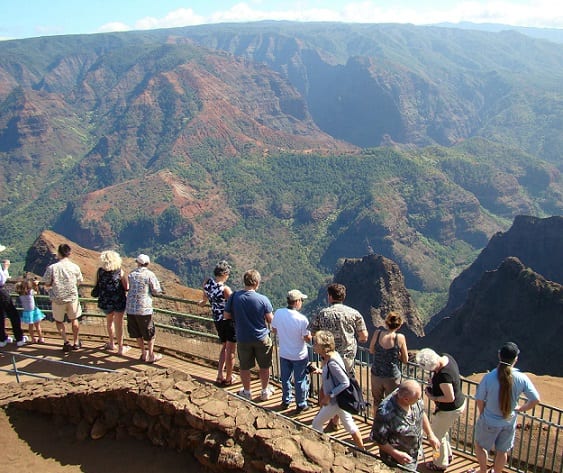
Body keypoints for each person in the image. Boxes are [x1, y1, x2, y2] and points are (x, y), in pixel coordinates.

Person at [471, 342, 540, 473]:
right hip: (509, 421)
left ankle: (483, 471)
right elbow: (535, 399)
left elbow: (479, 398)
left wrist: (482, 413)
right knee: (502, 451)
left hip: (489, 420)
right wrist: (520, 409)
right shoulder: (521, 378)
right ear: (516, 359)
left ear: (499, 356)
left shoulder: (489, 377)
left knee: (480, 446)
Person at [309, 282, 368, 430]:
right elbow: (363, 336)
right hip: (346, 358)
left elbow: (312, 333)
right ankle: (336, 420)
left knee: (328, 383)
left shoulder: (322, 313)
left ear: (329, 297)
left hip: (328, 356)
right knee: (343, 385)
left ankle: (325, 416)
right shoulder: (354, 314)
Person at [223, 269, 274, 402]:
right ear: (256, 283)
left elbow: (226, 315)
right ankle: (264, 391)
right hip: (261, 337)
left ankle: (247, 392)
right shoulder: (263, 299)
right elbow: (271, 320)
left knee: (244, 366)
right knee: (264, 366)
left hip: (243, 337)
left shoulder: (234, 297)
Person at [370, 380, 441, 471]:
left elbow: (421, 413)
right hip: (396, 461)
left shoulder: (414, 397)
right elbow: (378, 440)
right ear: (406, 399)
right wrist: (396, 454)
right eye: (418, 398)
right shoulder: (385, 413)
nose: (420, 400)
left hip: (413, 454)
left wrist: (430, 434)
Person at [311, 330, 365, 449]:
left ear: (323, 346)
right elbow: (334, 376)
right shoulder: (332, 356)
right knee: (350, 426)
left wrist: (329, 396)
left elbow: (344, 382)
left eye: (316, 344)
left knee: (316, 424)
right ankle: (362, 449)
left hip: (334, 402)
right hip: (340, 400)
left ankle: (323, 448)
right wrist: (321, 371)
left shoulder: (332, 362)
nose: (313, 346)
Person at [416, 348, 466, 471]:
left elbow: (449, 398)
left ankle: (439, 464)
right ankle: (447, 456)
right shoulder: (446, 357)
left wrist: (432, 396)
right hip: (457, 405)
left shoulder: (444, 376)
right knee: (442, 433)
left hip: (449, 410)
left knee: (436, 437)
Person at [271, 289, 312, 412]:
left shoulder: (278, 313)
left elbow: (274, 329)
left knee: (285, 378)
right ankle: (301, 404)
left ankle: (286, 400)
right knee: (300, 380)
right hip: (299, 355)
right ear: (297, 301)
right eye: (301, 300)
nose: (302, 302)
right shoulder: (302, 319)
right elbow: (307, 339)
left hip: (284, 352)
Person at [199, 260, 235, 386]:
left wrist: (203, 302)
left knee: (224, 346)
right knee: (230, 349)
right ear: (224, 274)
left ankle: (220, 374)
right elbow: (234, 305)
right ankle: (229, 378)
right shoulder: (225, 289)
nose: (228, 276)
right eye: (228, 274)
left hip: (217, 319)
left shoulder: (208, 282)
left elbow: (205, 295)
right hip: (228, 321)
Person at [43, 244, 83, 352]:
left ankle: (66, 342)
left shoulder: (52, 268)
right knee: (74, 319)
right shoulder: (75, 267)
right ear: (69, 253)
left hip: (57, 299)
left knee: (59, 321)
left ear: (59, 253)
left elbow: (46, 283)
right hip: (72, 298)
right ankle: (76, 342)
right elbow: (80, 281)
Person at [125, 254, 163, 363]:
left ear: (138, 263)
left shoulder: (131, 274)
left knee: (137, 333)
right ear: (148, 264)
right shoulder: (150, 275)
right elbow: (156, 290)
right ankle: (151, 355)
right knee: (150, 333)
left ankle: (143, 353)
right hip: (144, 309)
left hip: (131, 308)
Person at [369, 311, 409, 410]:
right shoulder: (400, 338)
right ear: (399, 326)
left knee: (377, 402)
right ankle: (389, 425)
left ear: (386, 322)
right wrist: (397, 355)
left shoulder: (377, 333)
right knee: (392, 403)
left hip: (376, 374)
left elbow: (371, 350)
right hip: (392, 377)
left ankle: (377, 424)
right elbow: (405, 359)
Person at [95, 250, 130, 355]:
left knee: (109, 322)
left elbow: (97, 285)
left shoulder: (99, 271)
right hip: (119, 301)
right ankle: (120, 348)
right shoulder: (119, 271)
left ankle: (111, 343)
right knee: (118, 324)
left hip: (105, 301)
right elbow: (126, 287)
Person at [0, 258, 28, 347]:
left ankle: (2, 339)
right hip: (1, 293)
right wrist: (6, 269)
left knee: (0, 315)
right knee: (13, 314)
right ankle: (19, 338)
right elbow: (1, 280)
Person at [15, 278, 46, 343]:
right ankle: (41, 338)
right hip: (34, 311)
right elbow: (37, 292)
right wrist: (36, 284)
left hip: (27, 312)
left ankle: (33, 339)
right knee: (37, 326)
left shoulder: (20, 294)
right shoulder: (30, 292)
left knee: (30, 327)